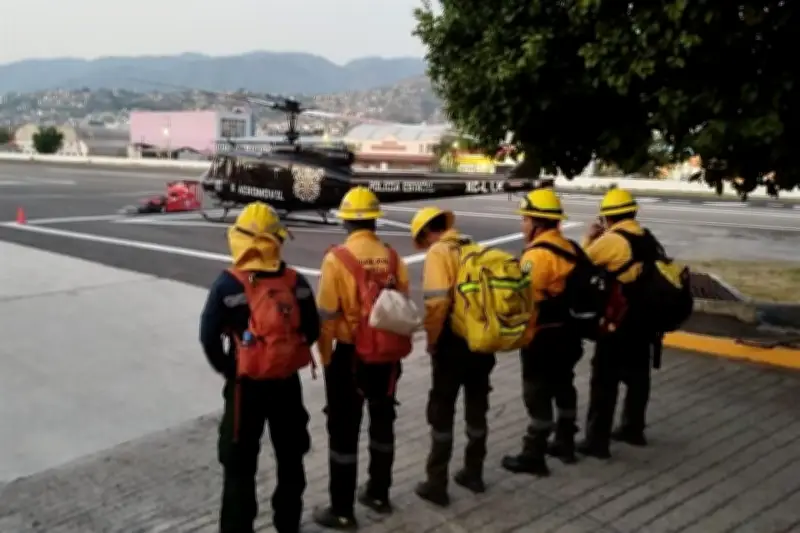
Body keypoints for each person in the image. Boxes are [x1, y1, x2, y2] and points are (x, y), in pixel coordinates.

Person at [199, 201, 319, 533]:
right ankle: (288, 524)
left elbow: (208, 337)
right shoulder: (295, 281)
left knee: (239, 466)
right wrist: (285, 354)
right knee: (291, 459)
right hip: (286, 385)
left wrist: (230, 368)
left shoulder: (227, 285)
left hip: (245, 388)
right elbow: (312, 329)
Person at [313, 186, 411, 530]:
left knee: (343, 430)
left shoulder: (336, 259)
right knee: (383, 421)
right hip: (387, 355)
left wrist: (326, 358)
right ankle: (379, 493)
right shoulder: (393, 257)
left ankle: (342, 509)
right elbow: (400, 307)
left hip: (349, 356)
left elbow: (326, 315)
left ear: (346, 223)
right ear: (374, 220)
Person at [410, 206, 497, 507]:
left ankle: (437, 484)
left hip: (453, 344)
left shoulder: (439, 252)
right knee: (477, 407)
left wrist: (432, 341)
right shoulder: (472, 245)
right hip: (481, 340)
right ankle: (474, 472)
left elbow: (436, 303)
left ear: (425, 233)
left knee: (443, 410)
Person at [501, 189, 583, 476]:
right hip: (570, 335)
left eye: (525, 219)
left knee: (537, 394)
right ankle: (566, 442)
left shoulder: (536, 257)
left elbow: (521, 300)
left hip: (542, 337)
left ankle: (533, 454)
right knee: (564, 386)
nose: (522, 225)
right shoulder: (569, 247)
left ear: (537, 222)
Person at [578, 188, 656, 458]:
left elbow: (581, 265)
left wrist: (590, 238)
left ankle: (596, 441)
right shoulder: (646, 237)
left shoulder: (613, 240)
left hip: (619, 321)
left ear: (608, 217)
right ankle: (633, 429)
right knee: (638, 377)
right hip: (646, 319)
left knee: (604, 379)